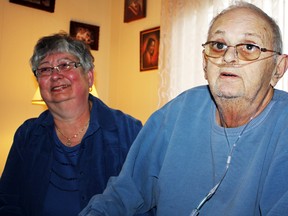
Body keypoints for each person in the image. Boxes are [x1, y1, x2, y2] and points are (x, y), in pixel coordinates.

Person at [79, 2, 288, 215]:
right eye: (218, 45)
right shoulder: (176, 113)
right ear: (205, 63)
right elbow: (123, 194)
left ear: (278, 68)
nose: (228, 57)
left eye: (249, 47)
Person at [0, 33, 148, 216]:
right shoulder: (27, 135)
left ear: (89, 76)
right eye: (45, 69)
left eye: (65, 65)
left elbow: (145, 202)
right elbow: (8, 201)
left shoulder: (128, 131)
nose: (55, 75)